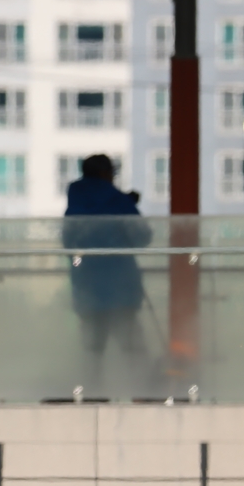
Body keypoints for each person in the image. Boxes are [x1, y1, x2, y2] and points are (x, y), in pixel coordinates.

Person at [62, 154, 153, 387]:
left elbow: (69, 242)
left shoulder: (75, 202)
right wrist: (129, 203)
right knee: (132, 348)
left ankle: (92, 394)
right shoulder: (118, 202)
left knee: (92, 351)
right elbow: (142, 236)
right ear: (106, 173)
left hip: (86, 289)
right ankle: (143, 392)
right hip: (121, 288)